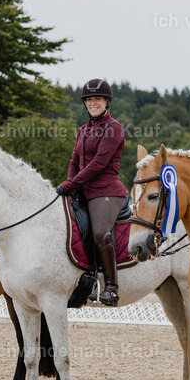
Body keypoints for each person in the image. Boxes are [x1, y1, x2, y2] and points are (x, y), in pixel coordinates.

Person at [56, 79, 127, 306]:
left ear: (107, 102)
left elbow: (98, 164)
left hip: (106, 192)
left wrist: (69, 185)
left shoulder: (114, 128)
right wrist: (70, 183)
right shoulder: (83, 130)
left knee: (99, 234)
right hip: (83, 189)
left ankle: (112, 288)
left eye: (97, 99)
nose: (93, 103)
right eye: (89, 100)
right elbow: (74, 161)